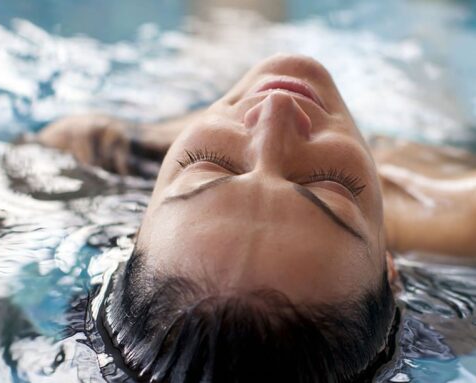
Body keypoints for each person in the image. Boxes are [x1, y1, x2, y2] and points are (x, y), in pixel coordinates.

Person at [38, 54, 476, 382]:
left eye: (209, 163)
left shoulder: (92, 160)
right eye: (331, 185)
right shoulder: (459, 217)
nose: (275, 111)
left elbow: (57, 148)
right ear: (389, 270)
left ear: (134, 231)